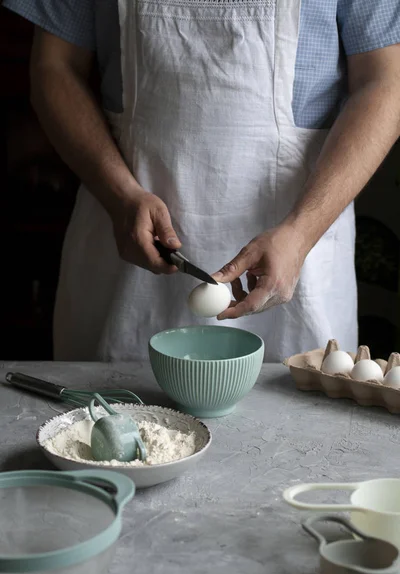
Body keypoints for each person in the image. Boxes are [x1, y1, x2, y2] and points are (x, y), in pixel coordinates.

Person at [4, 0, 400, 362]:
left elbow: (386, 82)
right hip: (124, 246)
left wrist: (301, 231)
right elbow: (55, 67)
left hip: (299, 254)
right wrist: (119, 194)